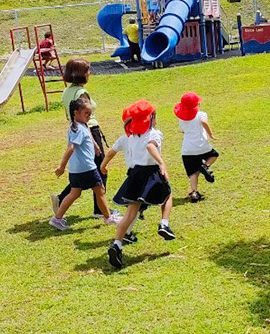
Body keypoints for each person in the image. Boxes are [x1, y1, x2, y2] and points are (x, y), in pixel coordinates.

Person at [104, 100, 176, 270]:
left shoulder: (132, 137)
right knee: (167, 195)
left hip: (135, 175)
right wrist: (161, 163)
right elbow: (151, 147)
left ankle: (117, 244)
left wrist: (103, 165)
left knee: (130, 213)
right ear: (151, 118)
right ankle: (164, 223)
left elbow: (114, 152)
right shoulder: (154, 134)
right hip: (151, 172)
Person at [53, 58, 115, 220]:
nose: (90, 73)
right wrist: (94, 142)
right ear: (81, 73)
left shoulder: (67, 91)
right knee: (101, 169)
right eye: (88, 71)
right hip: (89, 130)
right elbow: (87, 115)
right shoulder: (81, 93)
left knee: (87, 171)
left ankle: (61, 198)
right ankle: (100, 210)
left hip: (76, 129)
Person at [50, 98, 118, 231]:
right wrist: (61, 166)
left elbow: (88, 136)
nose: (89, 116)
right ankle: (108, 217)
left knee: (74, 193)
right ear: (76, 113)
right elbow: (71, 147)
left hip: (76, 168)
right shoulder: (79, 129)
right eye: (86, 113)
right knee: (100, 190)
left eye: (90, 113)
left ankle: (57, 219)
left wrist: (96, 146)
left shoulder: (77, 125)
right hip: (86, 167)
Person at [174, 91, 219, 202]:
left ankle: (194, 192)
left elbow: (183, 130)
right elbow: (204, 122)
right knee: (214, 155)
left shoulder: (182, 119)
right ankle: (205, 166)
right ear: (197, 104)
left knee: (193, 173)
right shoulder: (201, 114)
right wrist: (210, 134)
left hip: (188, 150)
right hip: (202, 146)